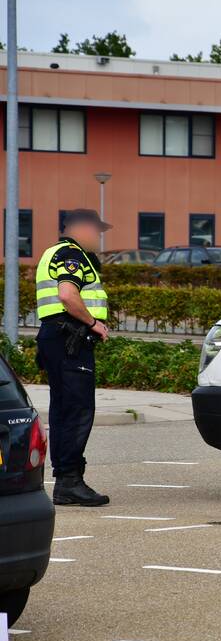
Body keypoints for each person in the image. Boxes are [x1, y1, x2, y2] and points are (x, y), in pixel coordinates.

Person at [35, 208, 112, 506]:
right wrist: (93, 323)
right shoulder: (72, 254)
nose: (99, 236)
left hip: (57, 337)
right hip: (70, 339)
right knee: (78, 410)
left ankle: (66, 480)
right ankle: (69, 481)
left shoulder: (51, 252)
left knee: (64, 408)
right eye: (96, 230)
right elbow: (68, 295)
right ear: (80, 228)